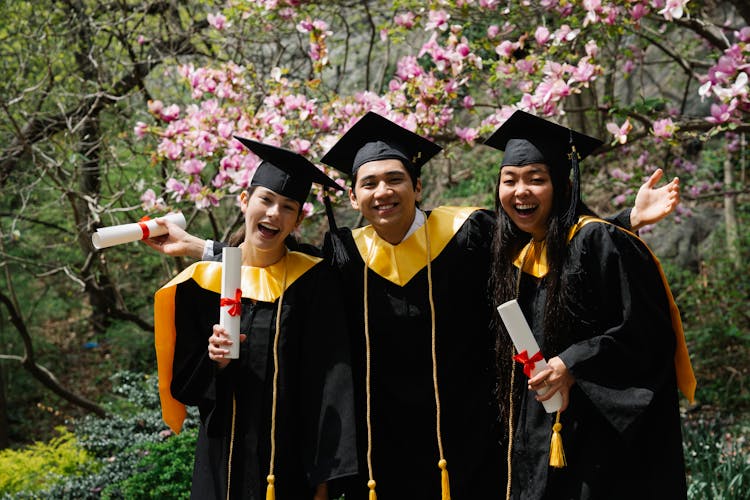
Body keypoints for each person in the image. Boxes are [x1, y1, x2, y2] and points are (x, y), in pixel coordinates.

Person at [147, 112, 681, 499]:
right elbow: (273, 262)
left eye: (394, 179)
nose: (383, 192)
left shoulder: (469, 232)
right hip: (380, 451)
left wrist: (622, 222)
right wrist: (203, 248)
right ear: (354, 198)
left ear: (417, 184)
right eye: (368, 183)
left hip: (469, 441)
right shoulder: (343, 255)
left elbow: (545, 239)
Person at [484, 110, 695, 499]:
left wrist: (573, 363)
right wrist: (627, 217)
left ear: (563, 186)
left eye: (537, 179)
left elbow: (645, 332)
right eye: (509, 180)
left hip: (599, 440)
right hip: (537, 434)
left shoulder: (598, 241)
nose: (521, 191)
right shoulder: (514, 253)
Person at [153, 139, 358, 500]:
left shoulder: (313, 283)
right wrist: (214, 362)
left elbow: (331, 385)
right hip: (222, 460)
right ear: (245, 201)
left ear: (298, 219)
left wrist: (324, 480)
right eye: (266, 200)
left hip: (292, 464)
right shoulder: (203, 284)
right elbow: (185, 381)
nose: (274, 213)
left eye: (288, 207)